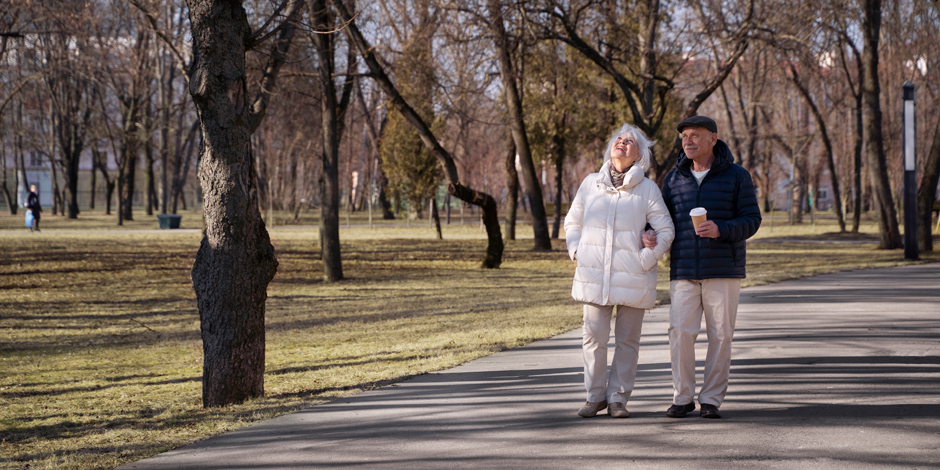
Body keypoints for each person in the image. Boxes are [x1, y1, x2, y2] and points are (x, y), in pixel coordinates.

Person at [565, 123, 675, 418]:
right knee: (593, 338)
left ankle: (617, 399)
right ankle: (594, 397)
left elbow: (665, 230)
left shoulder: (648, 189)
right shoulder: (590, 183)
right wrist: (576, 249)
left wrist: (646, 258)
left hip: (633, 275)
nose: (622, 142)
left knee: (627, 342)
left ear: (640, 155)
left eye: (630, 141)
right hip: (593, 275)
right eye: (619, 138)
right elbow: (573, 221)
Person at [661, 116, 761, 419]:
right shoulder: (673, 178)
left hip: (723, 268)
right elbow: (662, 220)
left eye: (695, 135)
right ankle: (682, 397)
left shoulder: (736, 175)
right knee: (680, 332)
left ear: (713, 139)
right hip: (683, 269)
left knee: (721, 335)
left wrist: (722, 229)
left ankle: (711, 399)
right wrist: (651, 231)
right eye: (684, 137)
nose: (688, 141)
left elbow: (752, 219)